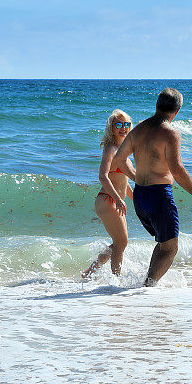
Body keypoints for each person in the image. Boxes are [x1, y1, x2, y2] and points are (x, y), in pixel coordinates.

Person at [112, 88, 192, 286]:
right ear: (177, 111)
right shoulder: (170, 132)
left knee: (163, 242)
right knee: (170, 247)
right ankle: (148, 288)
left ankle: (146, 288)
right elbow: (177, 169)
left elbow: (120, 159)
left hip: (140, 196)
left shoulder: (138, 129)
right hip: (159, 196)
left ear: (156, 105)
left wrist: (136, 177)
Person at [82, 109, 136, 278]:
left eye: (126, 124)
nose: (123, 128)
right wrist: (118, 199)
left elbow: (123, 182)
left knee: (119, 243)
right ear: (111, 128)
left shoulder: (124, 151)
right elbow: (103, 176)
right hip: (107, 200)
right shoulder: (110, 149)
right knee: (122, 242)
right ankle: (116, 281)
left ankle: (90, 272)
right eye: (118, 124)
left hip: (114, 200)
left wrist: (137, 198)